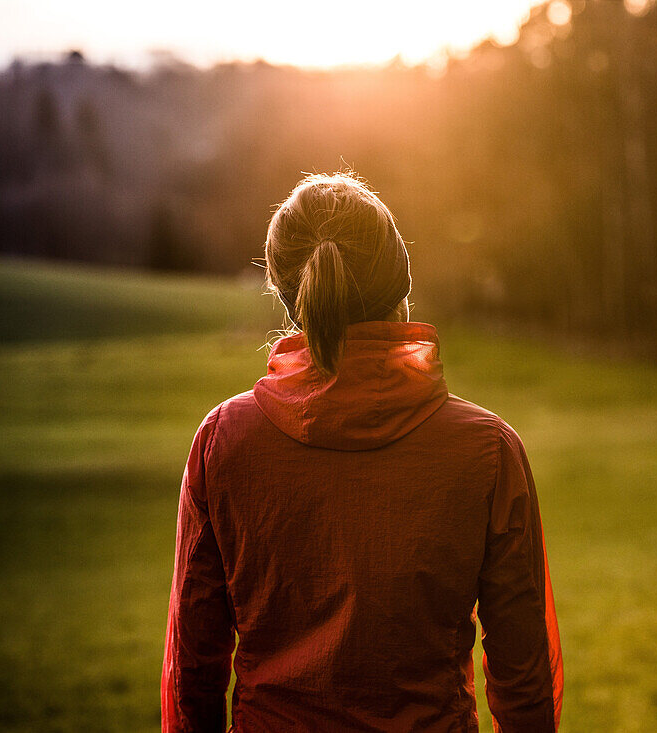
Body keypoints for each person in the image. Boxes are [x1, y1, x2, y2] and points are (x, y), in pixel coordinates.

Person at [161, 173, 563, 732]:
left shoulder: (224, 441)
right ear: (401, 285)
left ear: (286, 295)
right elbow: (525, 675)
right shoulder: (487, 450)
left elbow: (193, 671)